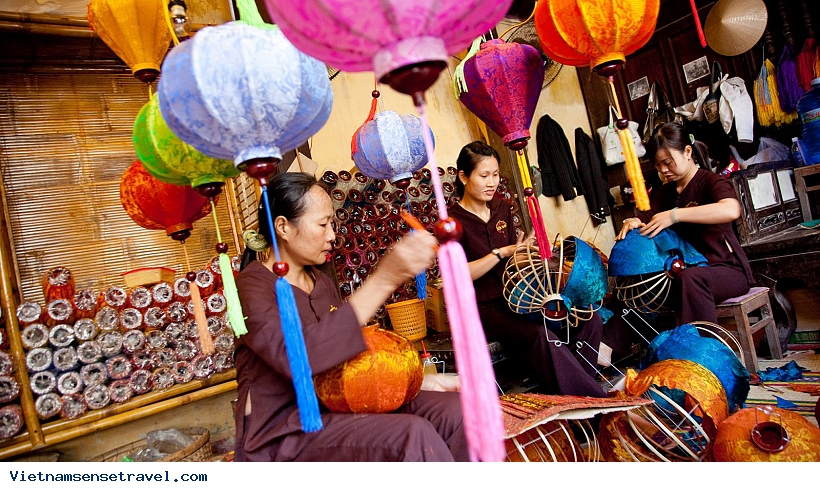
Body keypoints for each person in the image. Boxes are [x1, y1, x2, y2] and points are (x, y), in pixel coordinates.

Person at [234, 172, 467, 462]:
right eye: (322, 224)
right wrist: (383, 280)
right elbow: (296, 358)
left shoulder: (322, 283)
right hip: (284, 431)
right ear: (283, 226)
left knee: (456, 412)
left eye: (331, 223)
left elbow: (348, 365)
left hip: (341, 406)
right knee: (411, 434)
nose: (332, 235)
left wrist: (416, 381)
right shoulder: (252, 284)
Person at [447, 141, 606, 398]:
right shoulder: (452, 222)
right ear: (464, 177)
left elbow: (516, 258)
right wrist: (501, 252)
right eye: (484, 175)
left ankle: (582, 395)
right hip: (484, 309)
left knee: (589, 319)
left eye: (496, 174)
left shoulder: (501, 209)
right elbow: (456, 275)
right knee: (542, 336)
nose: (492, 182)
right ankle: (592, 400)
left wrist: (526, 254)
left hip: (521, 299)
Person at [616, 122, 754, 324]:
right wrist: (632, 221)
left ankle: (700, 350)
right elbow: (647, 219)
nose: (663, 170)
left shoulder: (711, 182)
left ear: (687, 152)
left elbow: (730, 209)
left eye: (668, 162)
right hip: (684, 272)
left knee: (691, 278)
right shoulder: (665, 194)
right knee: (636, 283)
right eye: (658, 165)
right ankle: (605, 350)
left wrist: (675, 215)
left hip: (726, 270)